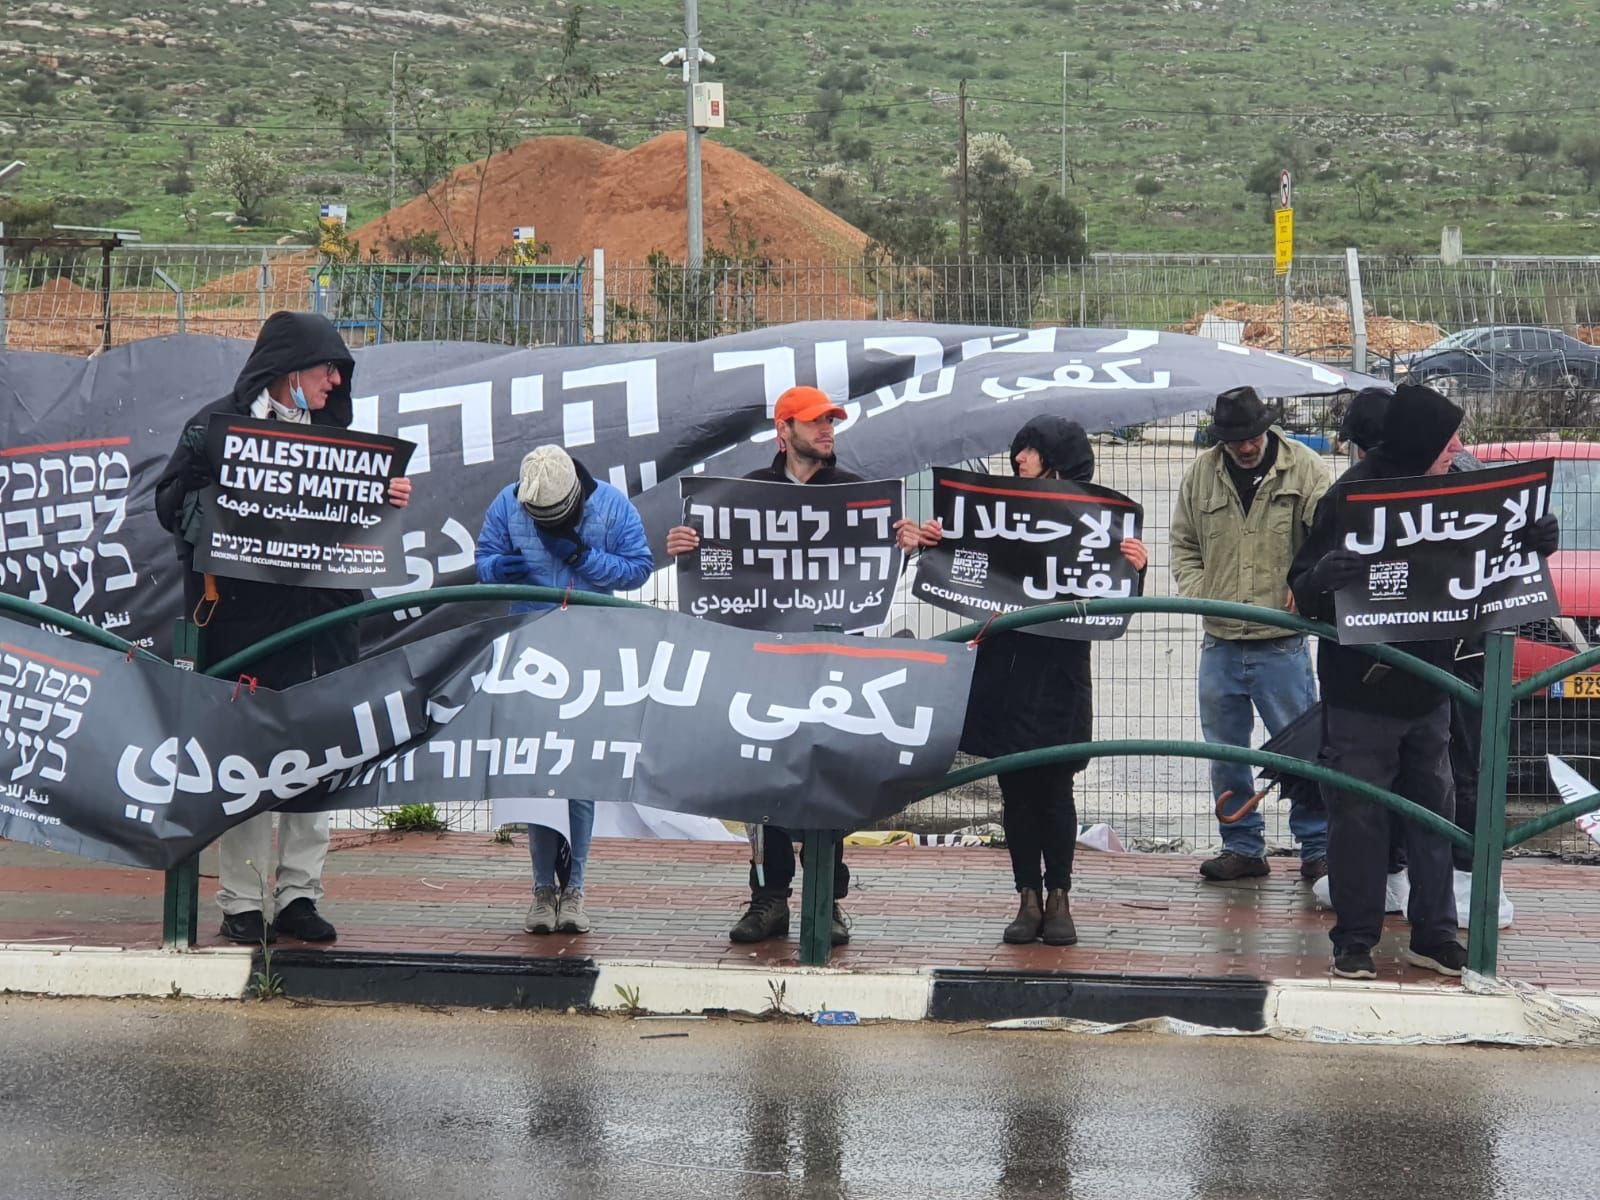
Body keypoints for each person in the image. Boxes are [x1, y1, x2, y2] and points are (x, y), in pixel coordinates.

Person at [153, 311, 412, 946]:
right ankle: (241, 902)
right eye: (327, 368)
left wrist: (387, 497)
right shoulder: (216, 427)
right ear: (288, 368)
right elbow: (168, 506)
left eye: (340, 372)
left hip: (321, 628)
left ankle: (300, 895)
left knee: (316, 758)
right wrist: (202, 487)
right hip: (242, 627)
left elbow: (355, 531)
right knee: (246, 760)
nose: (335, 382)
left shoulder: (339, 440)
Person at [1288, 383, 1557, 979]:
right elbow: (1301, 588)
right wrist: (1323, 576)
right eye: (1448, 439)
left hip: (1433, 688)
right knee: (1358, 819)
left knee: (1435, 815)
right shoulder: (1351, 495)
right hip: (1361, 693)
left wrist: (1538, 541)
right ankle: (1354, 940)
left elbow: (1498, 560)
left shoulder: (1460, 492)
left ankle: (1434, 935)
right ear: (1417, 442)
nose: (1458, 448)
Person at [666, 385, 914, 947]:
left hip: (832, 662)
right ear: (784, 431)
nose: (828, 430)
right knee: (762, 776)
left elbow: (877, 579)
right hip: (765, 663)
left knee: (827, 775)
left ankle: (827, 900)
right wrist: (686, 548)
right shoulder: (744, 495)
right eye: (815, 421)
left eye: (831, 421)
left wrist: (906, 545)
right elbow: (715, 570)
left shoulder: (856, 494)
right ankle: (769, 898)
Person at [901, 415, 1147, 945]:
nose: (1019, 458)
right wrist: (932, 543)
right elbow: (957, 562)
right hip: (1004, 668)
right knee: (1014, 787)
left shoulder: (1095, 521)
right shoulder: (995, 510)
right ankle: (1027, 897)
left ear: (1058, 459)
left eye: (1031, 450)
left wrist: (1135, 567)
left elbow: (1112, 595)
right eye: (1020, 449)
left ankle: (1059, 896)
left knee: (1055, 786)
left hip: (1060, 674)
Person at [476, 444, 654, 936]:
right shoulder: (508, 501)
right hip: (529, 651)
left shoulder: (612, 505)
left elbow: (639, 567)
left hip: (590, 652)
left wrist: (583, 557)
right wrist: (497, 570)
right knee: (537, 770)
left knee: (578, 772)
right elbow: (484, 558)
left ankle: (575, 887)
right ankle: (541, 889)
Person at [1170, 386, 1331, 882]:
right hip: (1219, 640)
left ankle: (1318, 847)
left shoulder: (1305, 469)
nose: (1246, 447)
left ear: (1267, 428)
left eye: (1252, 436)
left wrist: (1307, 584)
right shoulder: (1200, 475)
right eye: (1235, 439)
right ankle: (1241, 846)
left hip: (1281, 643)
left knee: (1302, 753)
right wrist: (1204, 594)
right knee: (1225, 753)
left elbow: (1329, 536)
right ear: (1221, 439)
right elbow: (1183, 545)